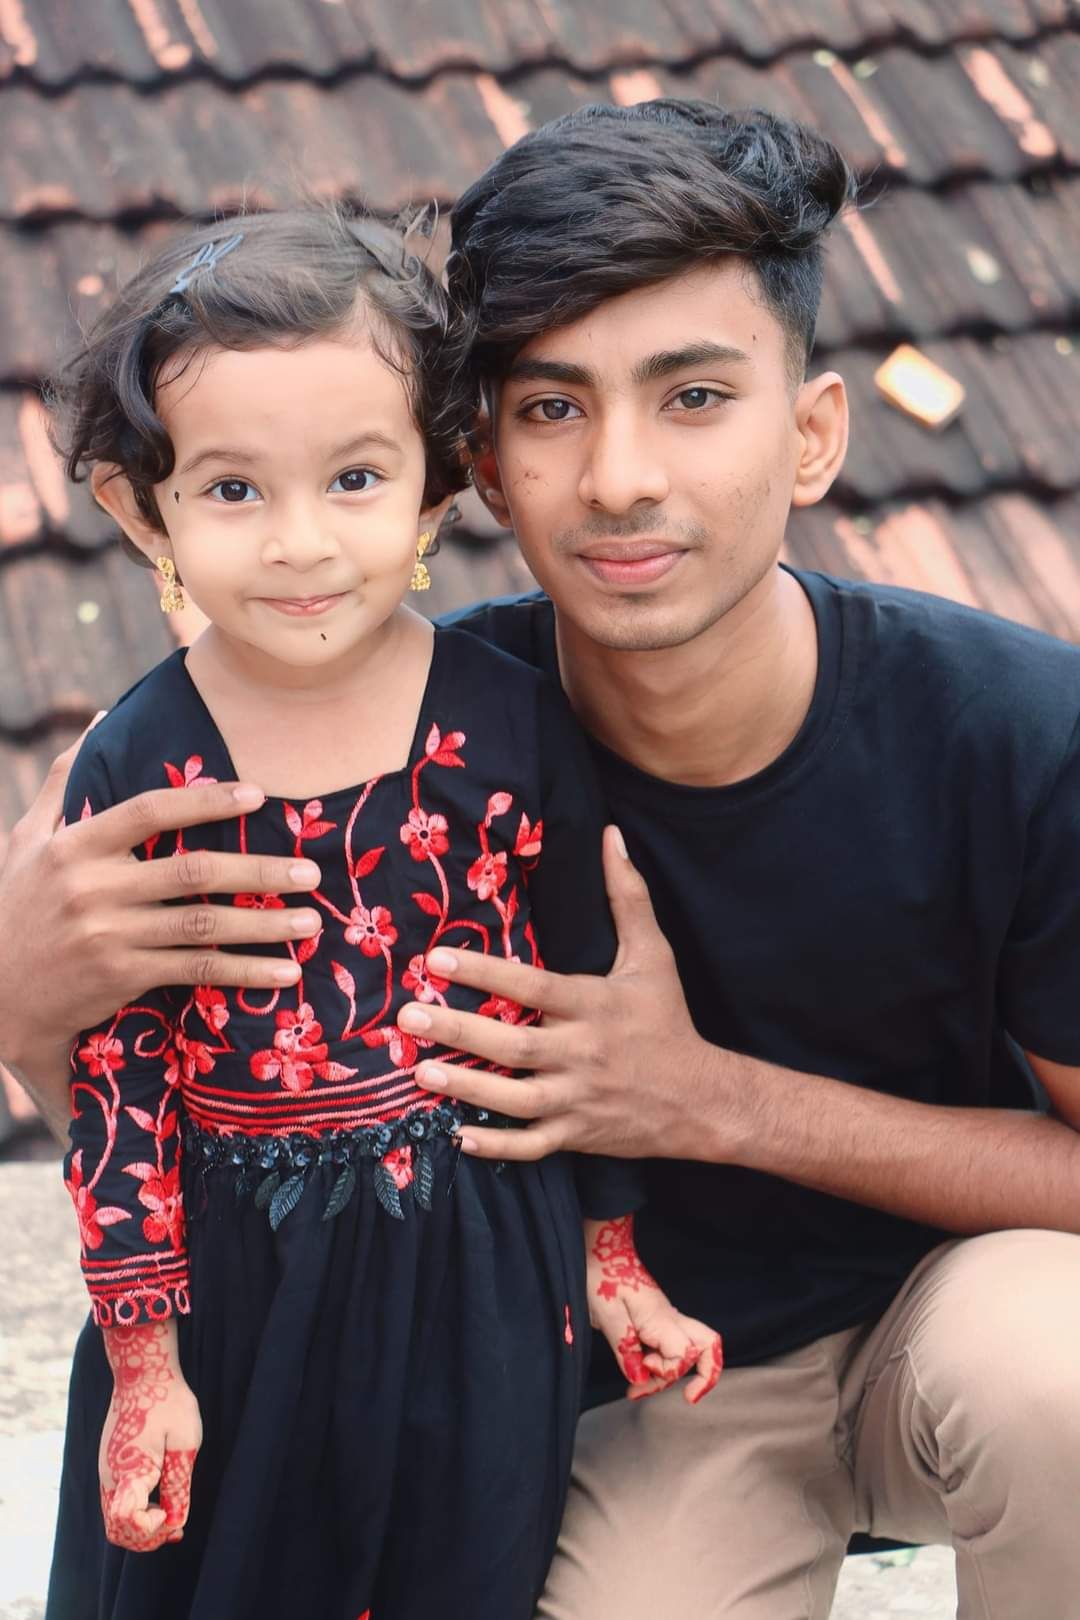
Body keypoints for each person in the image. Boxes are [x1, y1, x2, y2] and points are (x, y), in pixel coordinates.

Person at [1, 99, 1078, 1620]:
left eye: (694, 396)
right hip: (654, 1397)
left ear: (813, 432)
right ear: (486, 467)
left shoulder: (1018, 729)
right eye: (555, 408)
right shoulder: (385, 739)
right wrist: (18, 992)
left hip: (966, 1315)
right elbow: (188, 1086)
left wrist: (714, 1100)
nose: (622, 475)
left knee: (1061, 1376)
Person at [37, 202, 720, 1620]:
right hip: (230, 1290)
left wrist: (613, 1263)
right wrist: (148, 1366)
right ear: (141, 510)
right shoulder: (139, 768)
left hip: (480, 1272)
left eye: (354, 478)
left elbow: (577, 1005)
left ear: (437, 485)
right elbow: (117, 1075)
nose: (301, 544)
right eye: (233, 490)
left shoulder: (514, 728)